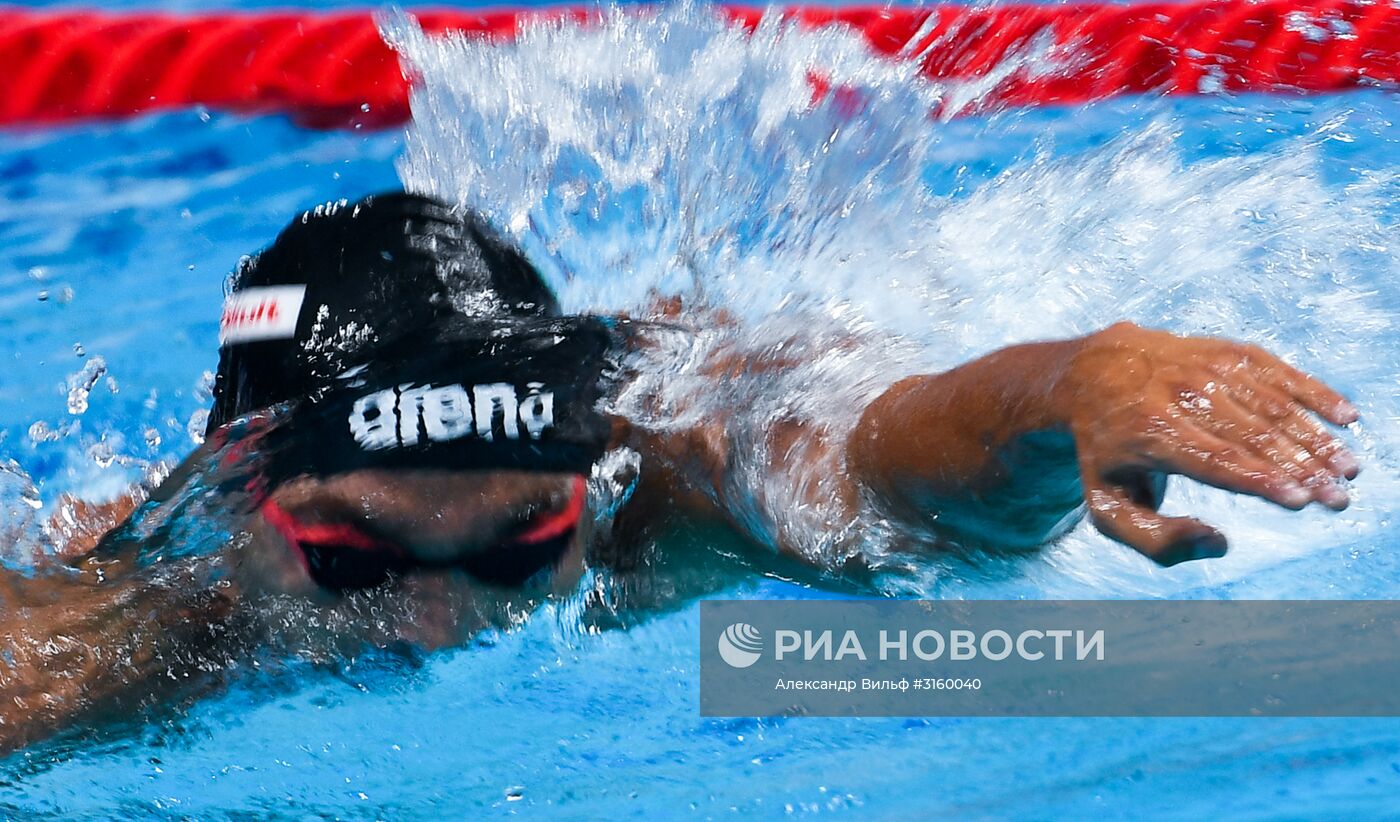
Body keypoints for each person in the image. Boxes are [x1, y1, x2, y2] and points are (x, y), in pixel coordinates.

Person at [0, 191, 1360, 751]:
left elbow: (889, 471)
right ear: (232, 501)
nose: (437, 622)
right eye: (353, 559)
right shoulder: (128, 625)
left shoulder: (664, 495)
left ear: (582, 476)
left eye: (518, 549)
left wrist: (1067, 390)